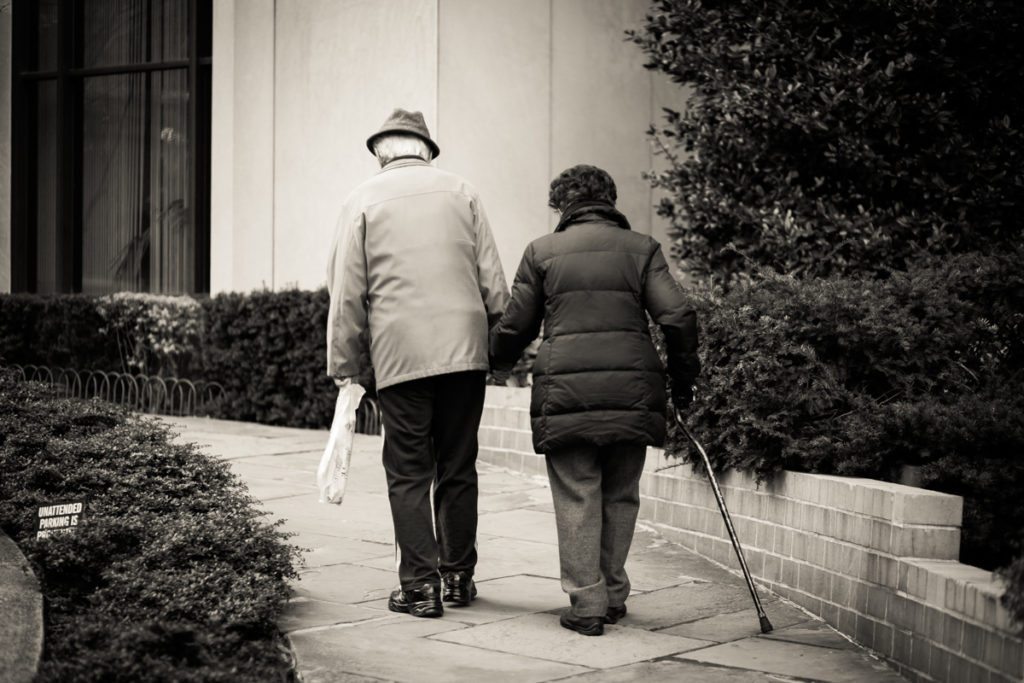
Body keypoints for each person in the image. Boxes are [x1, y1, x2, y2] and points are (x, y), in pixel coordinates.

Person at [489, 164, 700, 636]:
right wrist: (682, 382)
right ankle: (613, 595)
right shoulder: (642, 249)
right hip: (633, 391)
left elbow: (515, 326)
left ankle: (587, 603)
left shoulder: (542, 251)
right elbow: (679, 316)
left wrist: (495, 361)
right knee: (621, 494)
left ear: (561, 206)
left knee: (577, 493)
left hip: (566, 392)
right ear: (610, 200)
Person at [326, 108, 509, 618]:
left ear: (381, 153)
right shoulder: (463, 191)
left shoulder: (360, 199)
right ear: (426, 149)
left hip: (399, 355)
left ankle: (420, 588)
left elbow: (347, 294)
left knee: (408, 471)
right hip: (466, 353)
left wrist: (346, 365)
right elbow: (493, 281)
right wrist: (511, 350)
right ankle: (457, 578)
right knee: (458, 464)